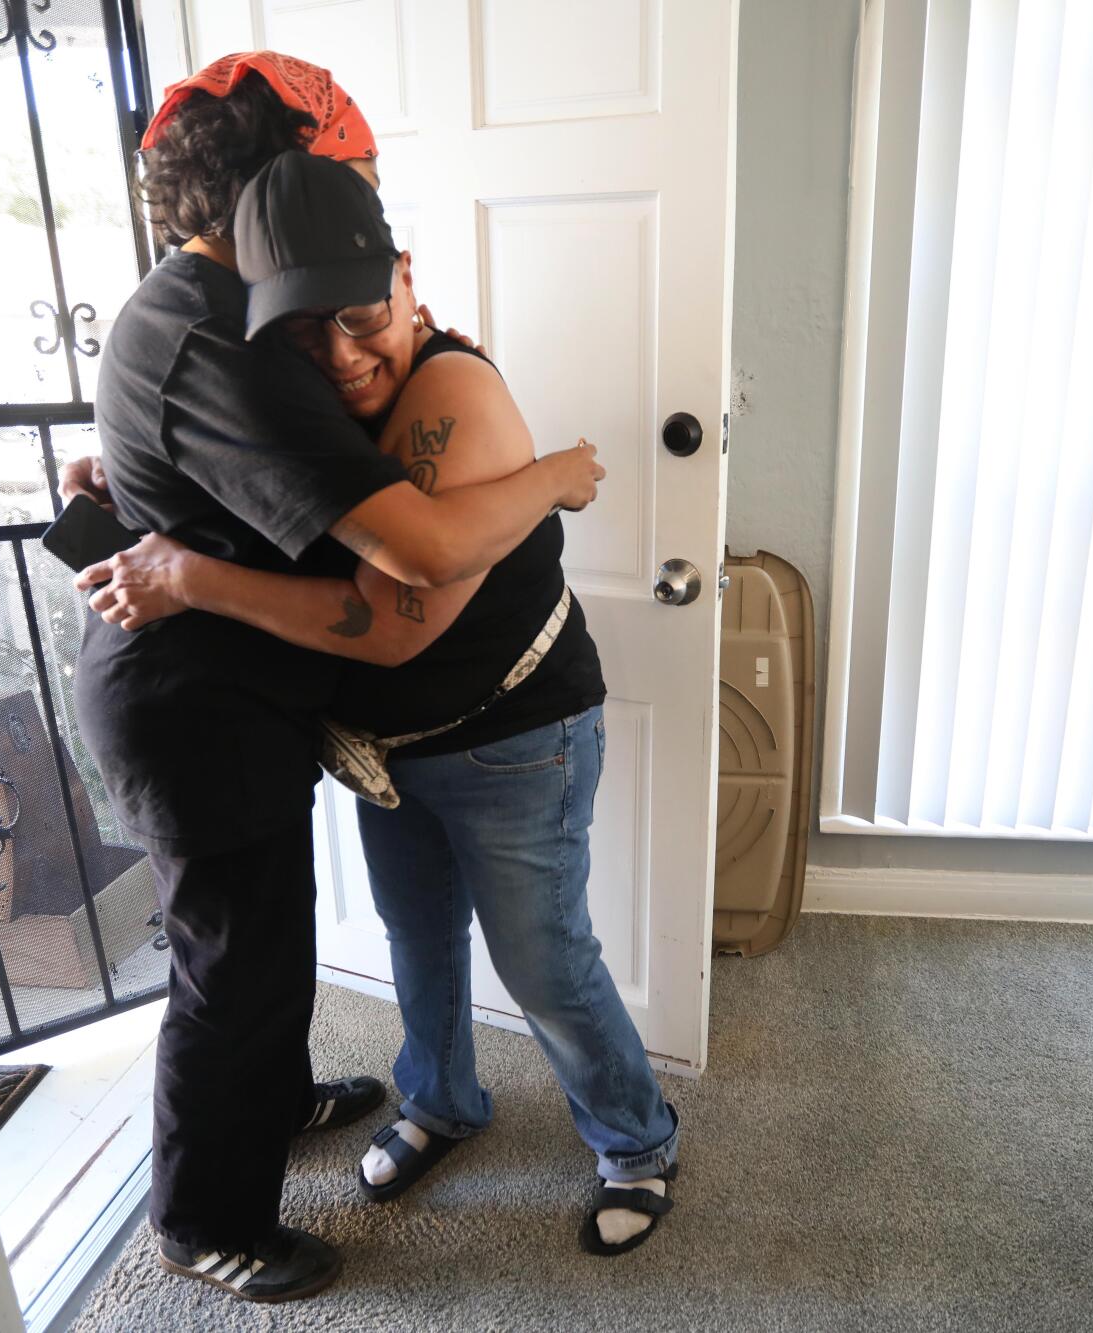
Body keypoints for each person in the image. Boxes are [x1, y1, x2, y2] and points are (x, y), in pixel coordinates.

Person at [78, 151, 683, 1257]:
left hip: (514, 737)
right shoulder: (295, 382)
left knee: (543, 961)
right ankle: (442, 1099)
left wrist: (192, 577)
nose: (342, 355)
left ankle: (636, 1140)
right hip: (388, 745)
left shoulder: (448, 388)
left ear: (408, 278)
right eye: (306, 335)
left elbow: (395, 618)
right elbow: (263, 482)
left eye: (363, 318)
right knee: (418, 944)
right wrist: (124, 476)